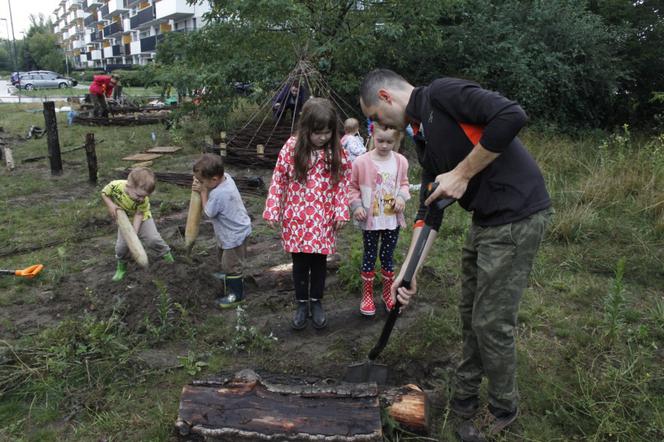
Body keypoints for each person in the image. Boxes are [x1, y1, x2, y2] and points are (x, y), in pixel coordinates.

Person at [359, 69, 552, 441]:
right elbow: (430, 209)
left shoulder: (442, 95)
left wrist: (462, 173)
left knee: (491, 321)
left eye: (375, 116)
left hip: (519, 214)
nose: (377, 124)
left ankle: (502, 409)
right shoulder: (423, 139)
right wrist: (408, 271)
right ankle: (462, 397)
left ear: (386, 97)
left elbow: (512, 115)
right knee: (470, 314)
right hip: (487, 220)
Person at [263, 98, 351, 330]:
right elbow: (279, 179)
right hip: (296, 218)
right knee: (300, 263)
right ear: (306, 129)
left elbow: (342, 183)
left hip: (323, 218)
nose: (322, 137)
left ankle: (317, 302)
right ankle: (302, 303)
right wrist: (273, 209)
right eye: (317, 133)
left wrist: (341, 210)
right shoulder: (291, 147)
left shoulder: (335, 150)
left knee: (319, 263)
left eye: (327, 132)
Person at [348, 123, 410, 316]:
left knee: (387, 256)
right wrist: (357, 206)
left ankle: (387, 292)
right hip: (370, 220)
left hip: (391, 220)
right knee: (369, 255)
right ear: (372, 136)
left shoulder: (401, 161)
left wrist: (401, 197)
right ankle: (367, 295)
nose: (384, 145)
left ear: (397, 140)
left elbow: (404, 184)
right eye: (380, 140)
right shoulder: (361, 162)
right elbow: (352, 188)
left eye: (389, 142)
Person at [191, 154, 252, 308]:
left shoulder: (220, 194)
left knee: (231, 265)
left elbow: (209, 212)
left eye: (202, 181)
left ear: (214, 179)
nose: (201, 184)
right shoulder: (227, 178)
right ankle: (228, 278)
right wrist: (204, 185)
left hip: (234, 236)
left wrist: (203, 192)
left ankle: (236, 296)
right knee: (223, 258)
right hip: (232, 231)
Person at [101, 167, 174, 282]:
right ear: (129, 186)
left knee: (153, 239)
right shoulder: (115, 186)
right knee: (121, 248)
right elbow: (104, 193)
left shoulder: (143, 200)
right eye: (139, 195)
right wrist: (111, 205)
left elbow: (139, 215)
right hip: (124, 220)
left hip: (143, 218)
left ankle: (167, 256)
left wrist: (133, 234)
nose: (141, 199)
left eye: (145, 196)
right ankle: (121, 268)